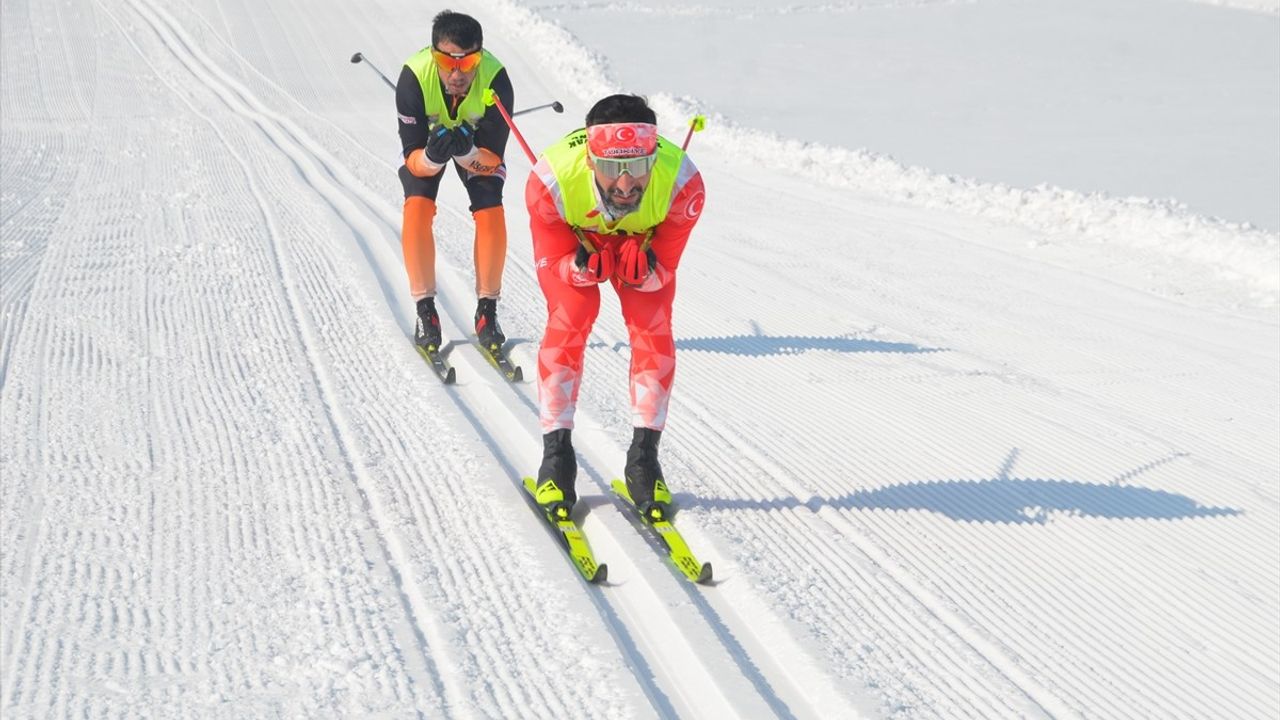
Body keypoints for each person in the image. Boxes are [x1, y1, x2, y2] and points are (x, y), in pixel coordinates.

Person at [525, 94, 706, 519]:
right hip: (578, 240)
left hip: (641, 242)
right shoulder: (548, 181)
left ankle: (644, 458)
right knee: (572, 315)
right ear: (590, 162)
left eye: (638, 168)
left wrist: (645, 271)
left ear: (653, 157)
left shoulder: (684, 183)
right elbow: (553, 264)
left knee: (652, 323)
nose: (625, 186)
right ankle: (557, 457)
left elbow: (665, 272)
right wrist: (582, 268)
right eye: (611, 170)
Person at [396, 10, 513, 354]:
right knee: (417, 205)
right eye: (446, 61)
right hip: (428, 147)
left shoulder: (496, 81)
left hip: (474, 146)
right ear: (433, 55)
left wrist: (466, 152)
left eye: (470, 60)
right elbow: (414, 162)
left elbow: (491, 163)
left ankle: (487, 310)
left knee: (490, 207)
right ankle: (425, 310)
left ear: (481, 55)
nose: (458, 72)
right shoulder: (414, 77)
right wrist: (432, 156)